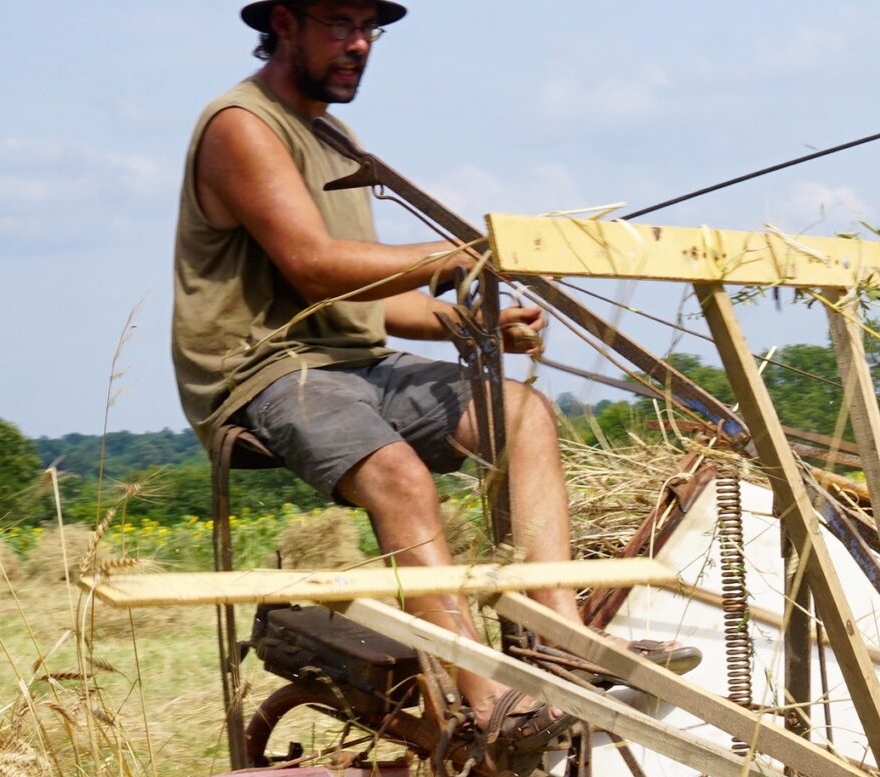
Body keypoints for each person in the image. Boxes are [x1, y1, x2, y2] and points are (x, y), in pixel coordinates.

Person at [173, 0, 683, 728]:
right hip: (268, 370)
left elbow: (367, 297)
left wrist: (473, 323)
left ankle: (560, 641)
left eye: (368, 28)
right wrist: (468, 254)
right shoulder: (242, 127)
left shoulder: (335, 138)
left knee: (523, 414)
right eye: (339, 23)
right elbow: (316, 267)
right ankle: (486, 698)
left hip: (358, 361)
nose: (359, 44)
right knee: (400, 476)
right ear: (283, 24)